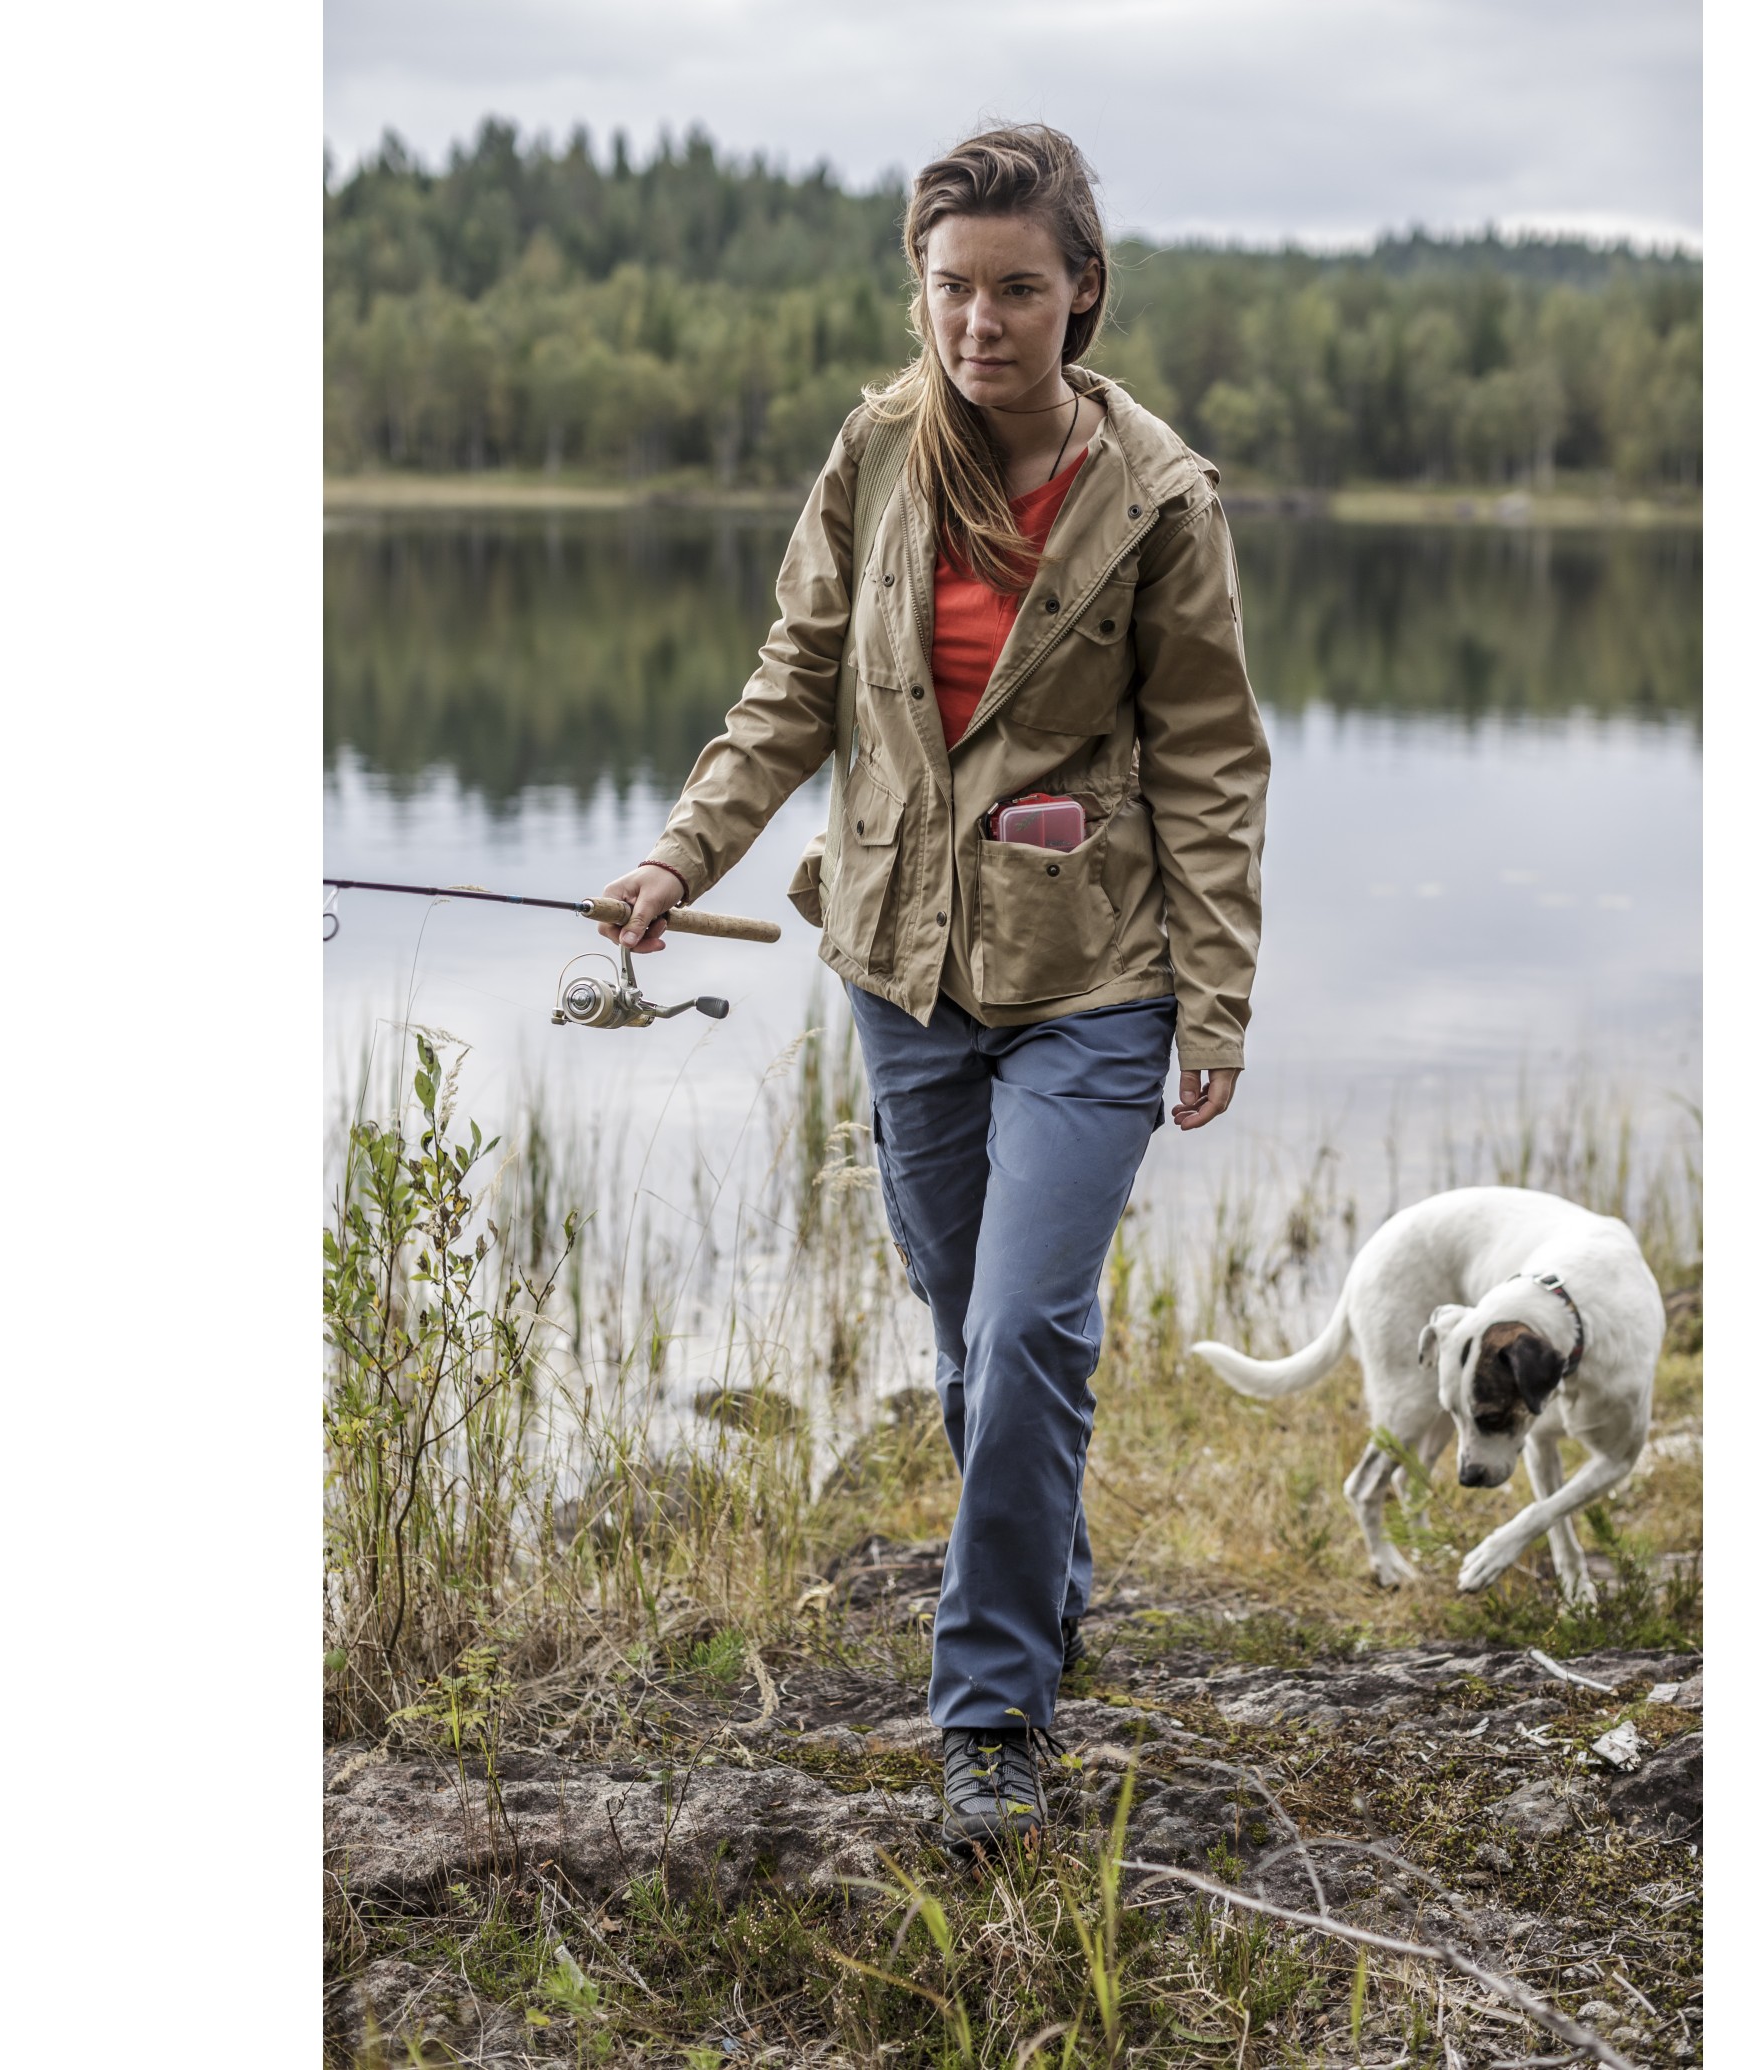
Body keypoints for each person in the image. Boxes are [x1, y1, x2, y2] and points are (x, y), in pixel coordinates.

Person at [597, 124, 1270, 1853]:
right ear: (920, 287)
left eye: (1016, 288)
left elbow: (1209, 759)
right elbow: (793, 682)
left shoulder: (1160, 499)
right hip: (900, 966)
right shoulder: (878, 449)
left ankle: (989, 1718)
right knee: (970, 1336)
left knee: (1028, 1322)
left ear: (1082, 292)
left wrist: (1214, 995)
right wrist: (682, 856)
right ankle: (1043, 1577)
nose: (979, 321)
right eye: (951, 287)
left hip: (1092, 975)